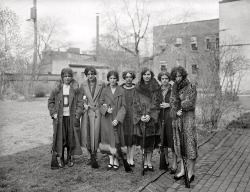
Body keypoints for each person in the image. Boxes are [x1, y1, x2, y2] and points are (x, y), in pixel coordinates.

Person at [48, 68, 83, 168]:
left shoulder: (76, 89)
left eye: (69, 76)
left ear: (72, 77)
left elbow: (80, 102)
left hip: (71, 118)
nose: (67, 78)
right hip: (60, 118)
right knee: (61, 138)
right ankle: (61, 158)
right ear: (62, 77)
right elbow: (50, 102)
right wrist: (53, 113)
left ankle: (70, 157)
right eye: (65, 76)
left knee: (70, 138)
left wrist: (77, 114)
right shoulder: (57, 89)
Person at [170, 66, 197, 183]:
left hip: (188, 120)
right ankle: (182, 170)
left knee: (189, 145)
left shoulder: (191, 86)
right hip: (177, 120)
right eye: (175, 76)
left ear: (183, 75)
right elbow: (171, 101)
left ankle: (190, 172)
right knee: (179, 146)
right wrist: (175, 110)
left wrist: (180, 106)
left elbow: (191, 102)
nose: (178, 78)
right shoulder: (174, 87)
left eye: (179, 76)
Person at [133, 67, 161, 172]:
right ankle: (144, 161)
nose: (147, 76)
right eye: (145, 74)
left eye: (148, 74)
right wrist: (141, 115)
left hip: (152, 118)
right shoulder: (137, 87)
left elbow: (156, 102)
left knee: (151, 141)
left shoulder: (156, 87)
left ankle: (149, 161)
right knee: (143, 142)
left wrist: (150, 115)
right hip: (141, 118)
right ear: (142, 76)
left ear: (151, 75)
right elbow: (135, 102)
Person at [99, 70, 126, 171]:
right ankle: (111, 159)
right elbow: (100, 103)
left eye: (114, 78)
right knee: (108, 139)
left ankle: (117, 159)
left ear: (117, 79)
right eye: (111, 78)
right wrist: (106, 109)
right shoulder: (105, 90)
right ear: (108, 79)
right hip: (106, 119)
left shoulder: (121, 90)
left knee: (116, 139)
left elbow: (124, 107)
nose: (113, 80)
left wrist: (118, 119)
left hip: (116, 119)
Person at [79, 66, 105, 168]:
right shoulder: (83, 85)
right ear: (86, 75)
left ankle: (95, 154)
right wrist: (83, 105)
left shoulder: (101, 84)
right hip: (87, 113)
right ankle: (90, 156)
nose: (90, 76)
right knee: (87, 134)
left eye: (92, 74)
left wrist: (102, 106)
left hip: (98, 112)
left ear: (95, 74)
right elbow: (80, 99)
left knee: (96, 134)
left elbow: (105, 97)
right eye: (88, 74)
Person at [158, 71, 177, 174]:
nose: (164, 80)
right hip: (161, 118)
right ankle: (165, 160)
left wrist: (169, 104)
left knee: (172, 141)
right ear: (160, 80)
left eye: (166, 78)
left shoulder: (173, 89)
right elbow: (154, 102)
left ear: (168, 79)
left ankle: (174, 163)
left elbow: (178, 101)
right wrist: (158, 105)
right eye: (162, 78)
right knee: (163, 141)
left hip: (171, 118)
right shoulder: (158, 90)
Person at [121, 70, 136, 167]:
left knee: (133, 136)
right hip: (124, 115)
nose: (128, 79)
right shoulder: (120, 88)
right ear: (124, 78)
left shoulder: (137, 89)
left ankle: (131, 157)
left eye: (130, 77)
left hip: (134, 115)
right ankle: (127, 157)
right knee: (126, 136)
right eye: (126, 77)